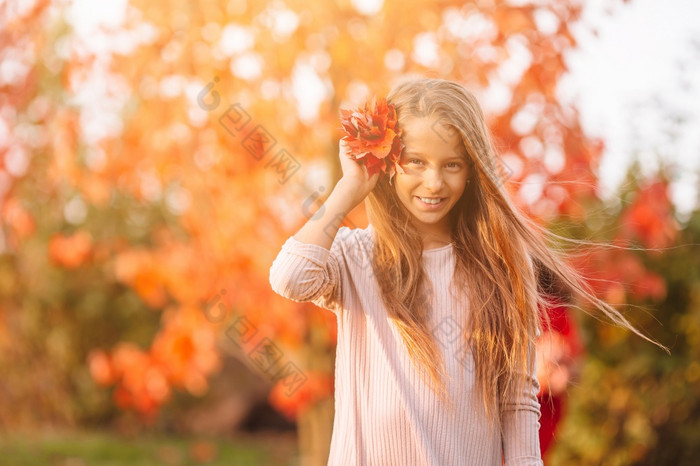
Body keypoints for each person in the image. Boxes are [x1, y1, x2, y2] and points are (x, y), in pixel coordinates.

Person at [269, 77, 655, 465]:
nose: (434, 182)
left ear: (472, 170)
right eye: (415, 162)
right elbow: (290, 277)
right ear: (387, 164)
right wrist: (349, 189)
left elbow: (518, 405)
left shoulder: (501, 270)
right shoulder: (355, 256)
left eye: (451, 164)